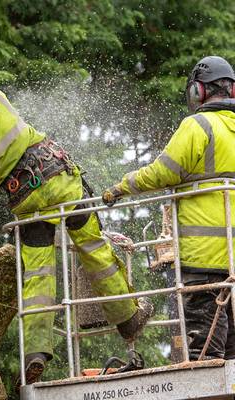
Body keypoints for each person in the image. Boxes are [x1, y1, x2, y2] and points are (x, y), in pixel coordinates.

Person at [0, 68, 154, 385]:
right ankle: (128, 318)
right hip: (62, 179)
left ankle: (35, 353)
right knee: (95, 250)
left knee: (37, 276)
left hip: (27, 199)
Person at [103, 56, 235, 361]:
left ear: (199, 93)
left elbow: (163, 172)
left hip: (203, 258)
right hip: (232, 259)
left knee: (206, 352)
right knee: (229, 349)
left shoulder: (198, 125)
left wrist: (120, 187)